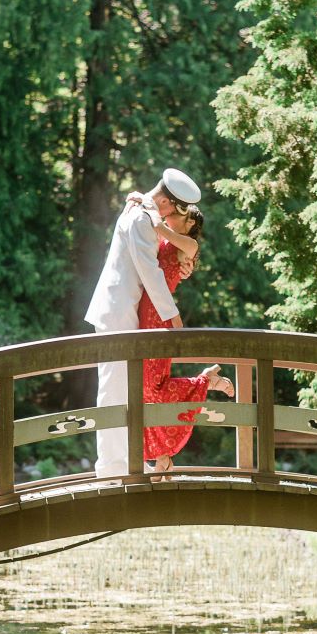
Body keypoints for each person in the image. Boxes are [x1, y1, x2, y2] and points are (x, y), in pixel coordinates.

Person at [84, 167, 202, 478]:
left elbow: (162, 263)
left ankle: (124, 465)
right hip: (117, 311)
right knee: (113, 392)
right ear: (165, 200)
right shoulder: (140, 218)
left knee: (125, 391)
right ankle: (111, 471)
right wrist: (174, 319)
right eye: (170, 209)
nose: (167, 215)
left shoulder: (143, 213)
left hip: (125, 312)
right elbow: (149, 272)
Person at [136, 205, 234, 476]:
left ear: (190, 221)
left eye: (179, 211)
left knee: (151, 388)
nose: (170, 212)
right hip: (145, 313)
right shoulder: (166, 240)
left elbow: (158, 227)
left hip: (159, 316)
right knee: (145, 388)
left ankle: (204, 381)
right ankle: (161, 457)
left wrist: (144, 205)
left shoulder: (188, 244)